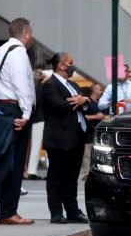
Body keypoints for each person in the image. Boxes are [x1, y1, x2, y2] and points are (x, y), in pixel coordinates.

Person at [0, 18, 37, 225]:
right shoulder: (19, 53)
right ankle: (8, 212)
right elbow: (21, 83)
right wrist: (25, 114)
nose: (31, 36)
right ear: (25, 33)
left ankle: (6, 210)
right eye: (30, 32)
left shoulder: (0, 50)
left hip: (0, 107)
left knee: (3, 159)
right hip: (14, 110)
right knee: (15, 162)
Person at [40, 53, 92, 223]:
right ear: (61, 65)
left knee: (71, 178)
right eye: (71, 63)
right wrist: (81, 100)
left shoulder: (74, 85)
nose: (73, 66)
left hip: (76, 137)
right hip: (59, 139)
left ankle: (73, 211)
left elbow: (89, 104)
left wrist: (83, 100)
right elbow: (59, 105)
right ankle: (56, 212)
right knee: (56, 177)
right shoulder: (50, 85)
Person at [24, 68, 47, 181]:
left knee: (35, 147)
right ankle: (50, 171)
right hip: (44, 119)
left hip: (35, 119)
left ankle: (31, 171)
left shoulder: (32, 90)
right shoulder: (44, 89)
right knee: (47, 146)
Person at [80, 83, 106, 180]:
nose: (101, 91)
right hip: (88, 131)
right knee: (87, 153)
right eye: (99, 89)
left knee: (96, 153)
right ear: (93, 90)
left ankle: (95, 171)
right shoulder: (87, 101)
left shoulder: (100, 103)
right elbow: (83, 116)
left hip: (97, 132)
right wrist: (96, 116)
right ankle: (87, 173)